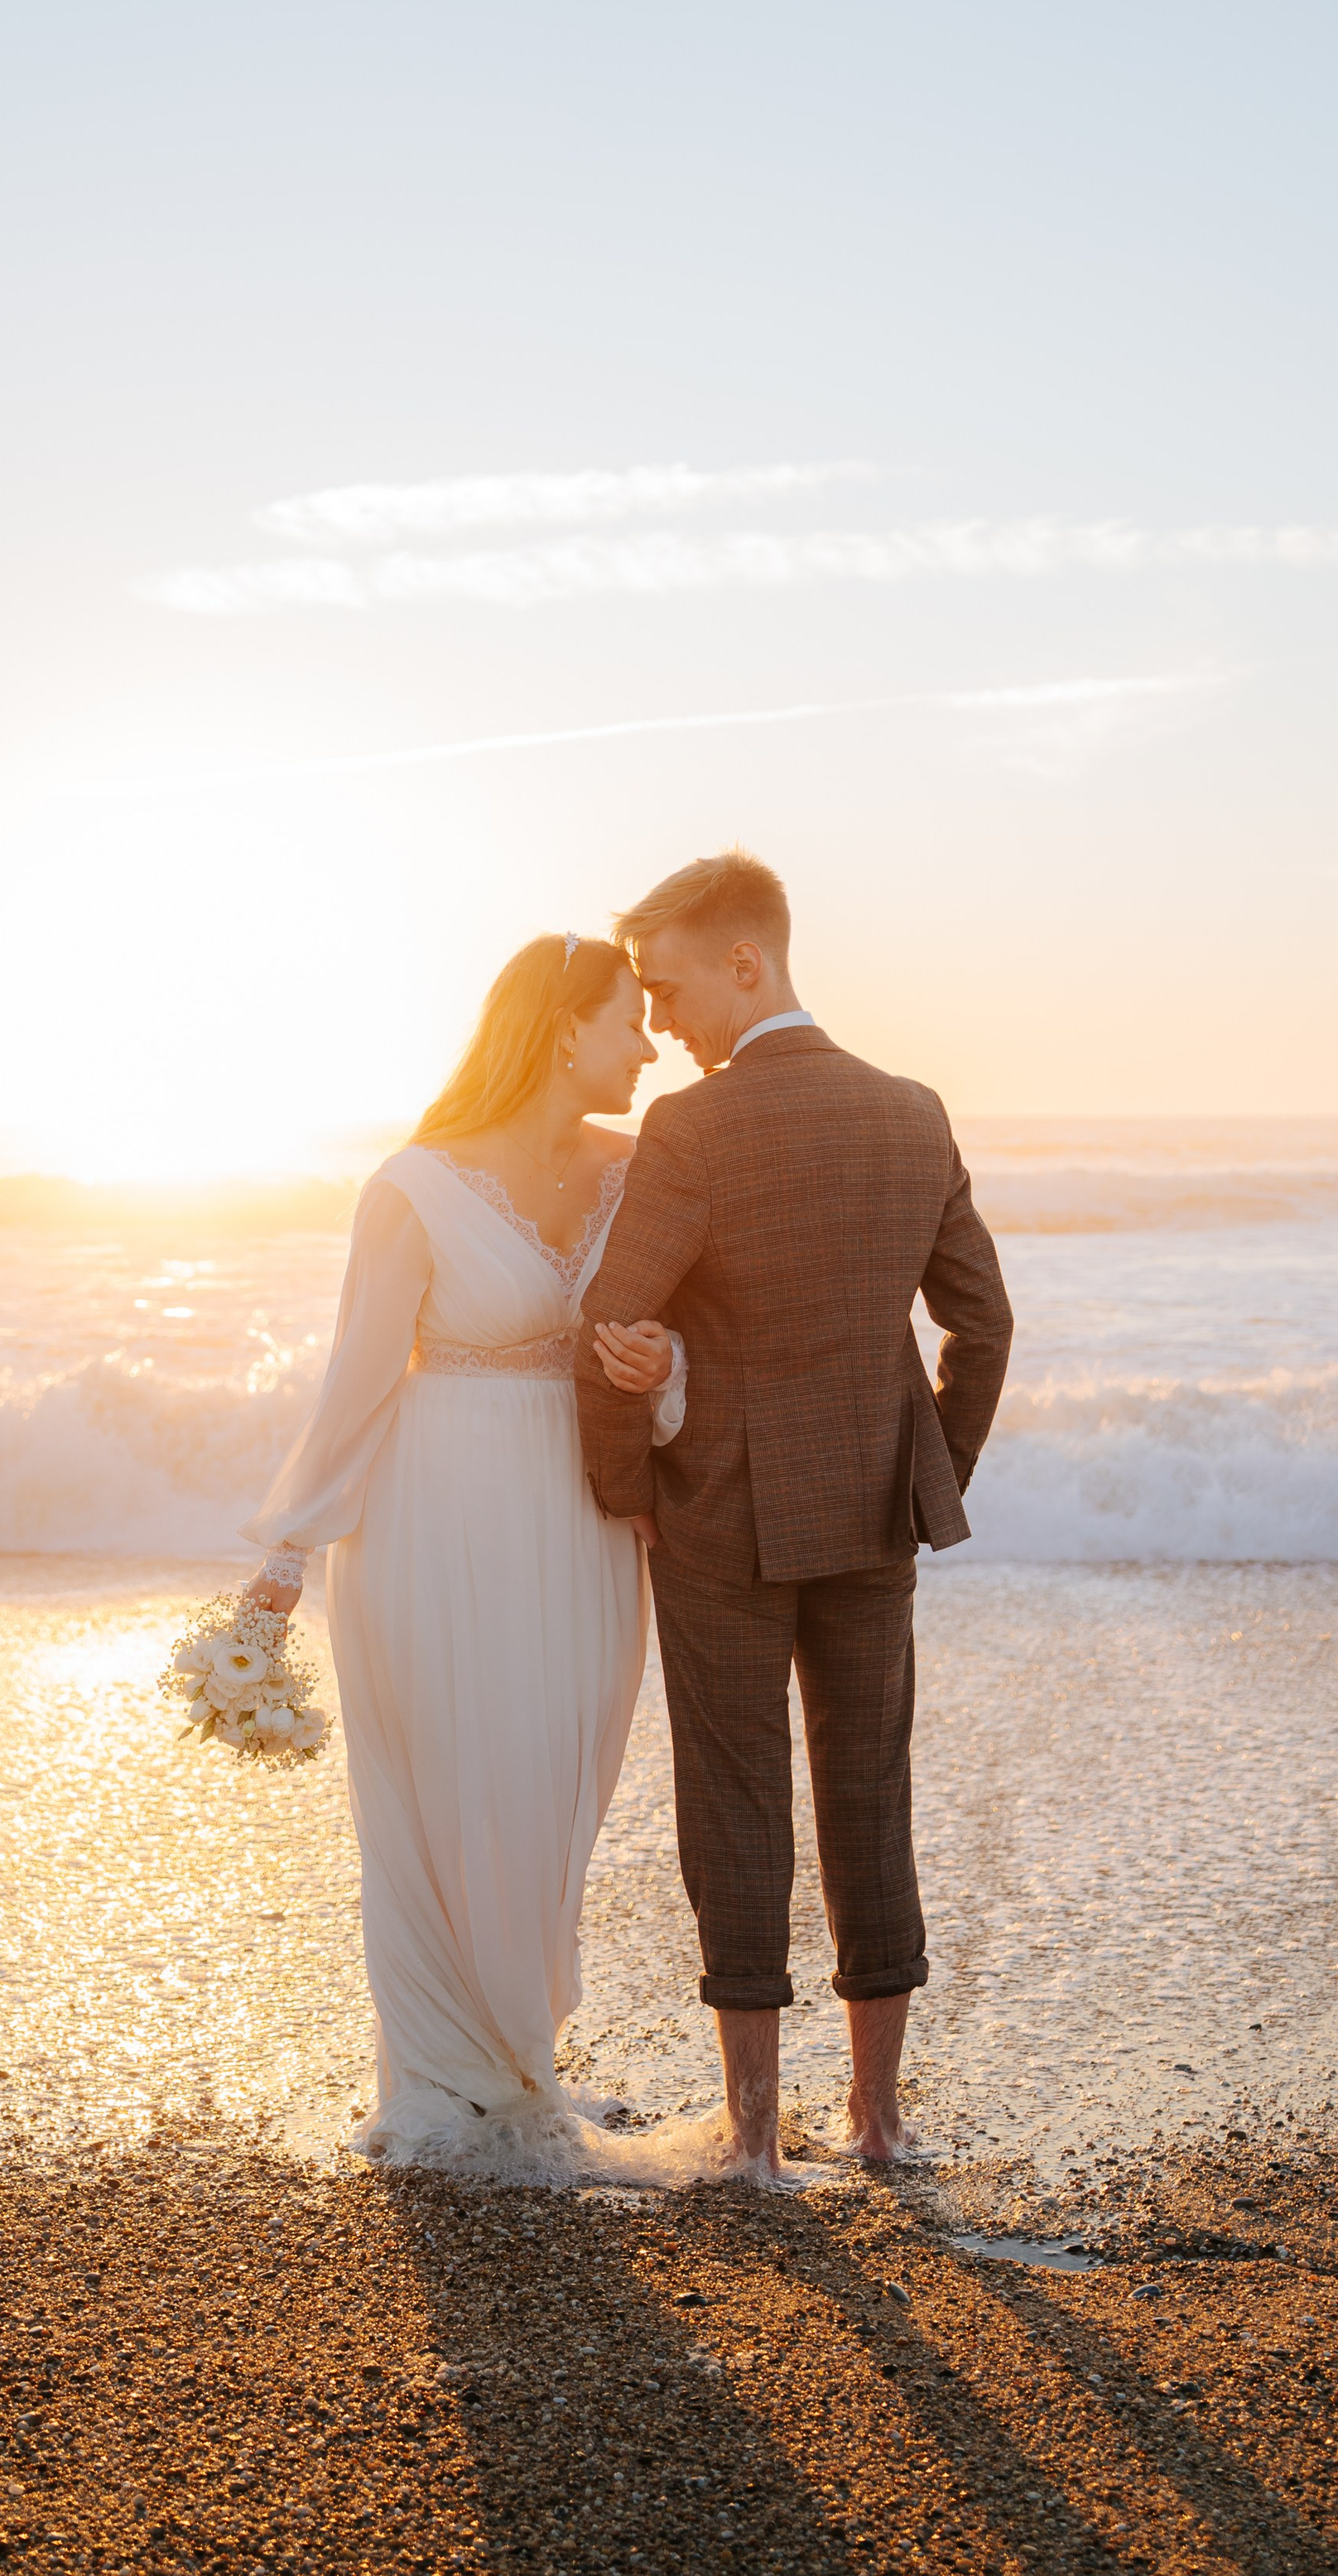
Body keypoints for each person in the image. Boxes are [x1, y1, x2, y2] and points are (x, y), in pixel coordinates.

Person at [576, 849, 1013, 2174]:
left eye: (666, 987)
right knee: (870, 1790)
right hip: (878, 1513)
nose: (658, 1022)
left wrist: (625, 1491)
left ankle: (756, 2136)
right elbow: (983, 1324)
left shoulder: (695, 1132)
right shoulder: (912, 1110)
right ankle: (880, 2122)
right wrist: (927, 1465)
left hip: (721, 1517)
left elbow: (613, 1317)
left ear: (744, 961)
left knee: (736, 1800)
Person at [238, 933, 681, 2174]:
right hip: (433, 1514)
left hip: (583, 1514)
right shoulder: (415, 1187)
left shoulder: (638, 1169)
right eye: (627, 1018)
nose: (647, 1043)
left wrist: (669, 1379)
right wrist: (280, 1565)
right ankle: (446, 2076)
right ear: (560, 1028)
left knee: (555, 1777)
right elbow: (357, 1386)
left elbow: (685, 1331)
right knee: (446, 1786)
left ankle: (522, 2049)